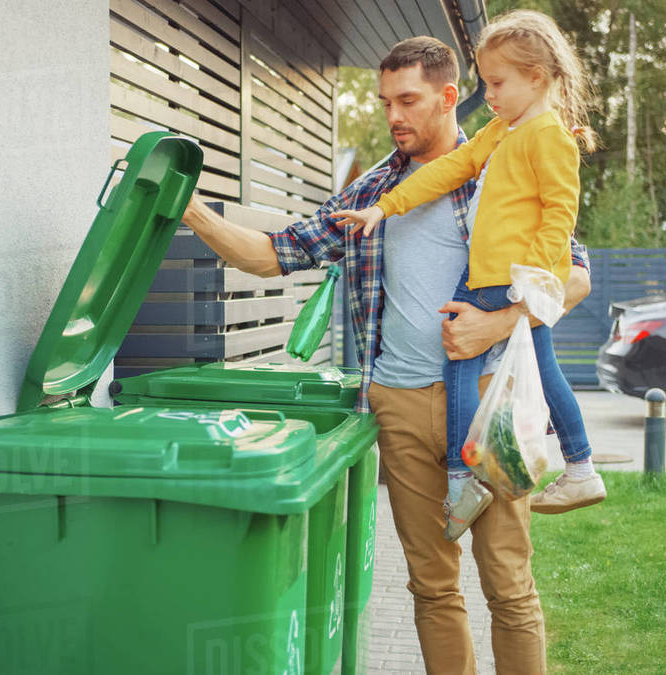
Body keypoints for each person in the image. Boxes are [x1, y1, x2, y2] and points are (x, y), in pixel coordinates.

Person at [181, 35, 591, 674]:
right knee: (432, 586)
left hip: (488, 400)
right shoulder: (371, 192)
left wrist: (495, 325)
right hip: (398, 405)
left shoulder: (505, 157)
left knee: (508, 585)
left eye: (408, 100)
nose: (394, 116)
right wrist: (194, 213)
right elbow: (270, 253)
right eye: (385, 103)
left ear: (450, 96)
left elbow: (575, 275)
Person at [331, 10, 606, 537]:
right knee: (542, 369)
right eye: (486, 83)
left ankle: (466, 481)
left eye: (498, 83)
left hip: (505, 278)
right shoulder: (502, 131)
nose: (492, 94)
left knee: (459, 361)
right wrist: (383, 208)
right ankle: (578, 467)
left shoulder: (549, 137)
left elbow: (559, 214)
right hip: (496, 274)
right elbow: (448, 169)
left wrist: (535, 281)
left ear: (538, 77)